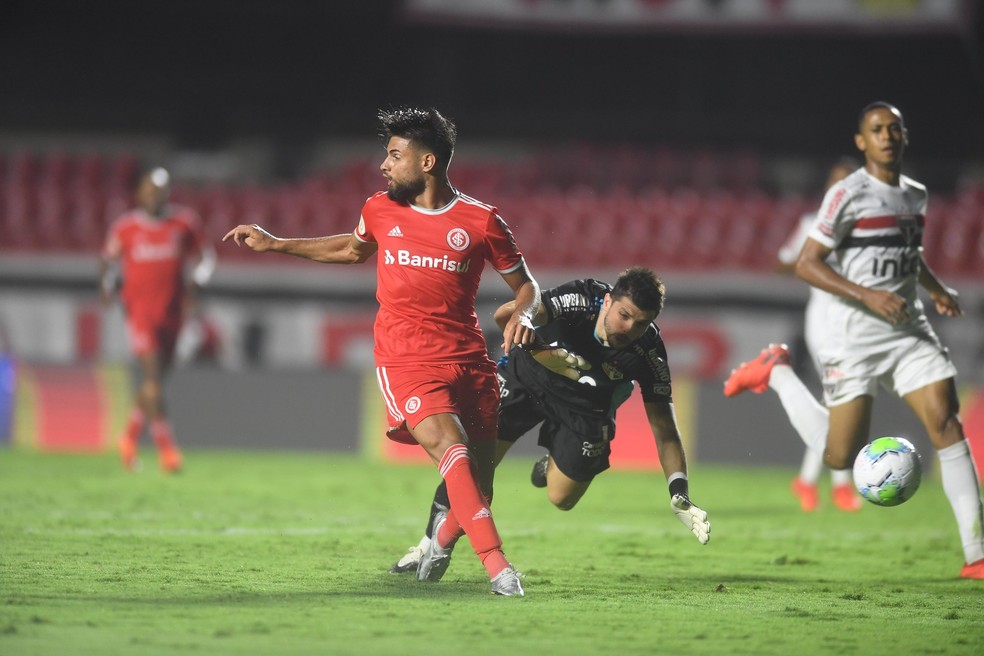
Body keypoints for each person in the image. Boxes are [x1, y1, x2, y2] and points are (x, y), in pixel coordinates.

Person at [223, 107, 540, 596]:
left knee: (480, 478)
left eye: (395, 155)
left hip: (468, 359)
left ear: (429, 162)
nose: (383, 165)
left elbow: (527, 287)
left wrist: (525, 312)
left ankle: (439, 541)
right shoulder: (380, 209)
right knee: (452, 455)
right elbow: (351, 250)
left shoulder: (481, 222)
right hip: (406, 358)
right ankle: (499, 569)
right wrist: (275, 244)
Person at [724, 102, 984, 579]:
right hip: (854, 336)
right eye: (876, 129)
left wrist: (934, 288)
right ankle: (776, 371)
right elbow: (805, 263)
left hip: (908, 330)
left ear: (904, 136)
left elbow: (907, 253)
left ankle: (977, 555)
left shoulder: (915, 195)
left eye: (894, 128)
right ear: (862, 141)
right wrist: (869, 295)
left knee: (947, 422)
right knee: (841, 455)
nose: (887, 136)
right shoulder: (846, 195)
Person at [388, 267, 711, 576]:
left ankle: (550, 464)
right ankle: (425, 548)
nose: (629, 329)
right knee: (470, 464)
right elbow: (505, 316)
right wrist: (542, 350)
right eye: (624, 315)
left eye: (641, 324)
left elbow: (665, 429)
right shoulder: (578, 300)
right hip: (524, 380)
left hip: (587, 409)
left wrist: (678, 492)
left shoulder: (648, 352)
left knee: (562, 499)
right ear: (609, 301)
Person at [100, 166, 216, 473]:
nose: (154, 195)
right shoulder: (125, 228)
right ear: (138, 192)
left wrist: (199, 279)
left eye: (159, 190)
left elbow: (207, 256)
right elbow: (108, 262)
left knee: (157, 382)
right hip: (139, 313)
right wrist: (107, 286)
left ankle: (127, 438)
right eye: (149, 189)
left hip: (173, 313)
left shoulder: (184, 223)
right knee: (153, 380)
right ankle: (168, 452)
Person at [771, 159, 862, 512]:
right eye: (836, 181)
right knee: (838, 397)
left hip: (855, 322)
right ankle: (839, 484)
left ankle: (808, 480)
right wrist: (809, 261)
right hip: (823, 319)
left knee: (838, 399)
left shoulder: (864, 227)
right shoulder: (812, 224)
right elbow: (782, 263)